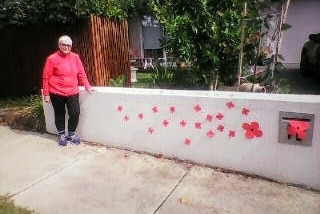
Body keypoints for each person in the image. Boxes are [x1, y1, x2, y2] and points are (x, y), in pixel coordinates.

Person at [42, 35, 92, 146]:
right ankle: (61, 134)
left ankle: (71, 134)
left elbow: (81, 73)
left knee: (75, 112)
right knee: (60, 113)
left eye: (68, 45)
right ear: (59, 45)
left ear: (71, 46)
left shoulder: (75, 57)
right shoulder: (51, 59)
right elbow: (46, 77)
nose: (66, 47)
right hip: (56, 92)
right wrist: (46, 94)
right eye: (63, 44)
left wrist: (87, 85)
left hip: (73, 91)